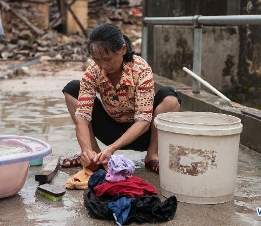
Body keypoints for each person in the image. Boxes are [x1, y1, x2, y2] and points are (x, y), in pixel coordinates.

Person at [62, 23, 181, 174]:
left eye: (108, 58)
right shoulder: (93, 71)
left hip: (143, 133)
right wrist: (86, 150)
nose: (103, 65)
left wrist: (112, 148)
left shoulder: (140, 69)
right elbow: (82, 116)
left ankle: (152, 154)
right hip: (110, 130)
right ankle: (95, 156)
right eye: (97, 59)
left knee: (169, 98)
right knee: (72, 88)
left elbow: (144, 120)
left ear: (123, 50)